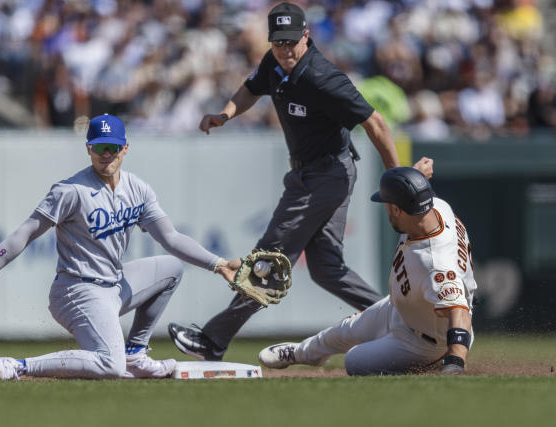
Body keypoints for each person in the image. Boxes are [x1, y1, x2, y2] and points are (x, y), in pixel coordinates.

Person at [168, 2, 433, 361]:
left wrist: (396, 178)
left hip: (325, 174)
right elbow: (250, 89)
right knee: (326, 270)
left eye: (292, 41)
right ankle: (407, 325)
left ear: (306, 36)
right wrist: (225, 114)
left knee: (269, 260)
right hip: (315, 173)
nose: (286, 49)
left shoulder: (322, 77)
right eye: (279, 42)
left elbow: (376, 124)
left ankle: (213, 340)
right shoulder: (274, 64)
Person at [0, 114, 241, 380]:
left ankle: (136, 352)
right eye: (99, 148)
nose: (106, 154)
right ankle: (18, 366)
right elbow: (25, 233)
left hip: (114, 285)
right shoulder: (71, 191)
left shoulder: (138, 189)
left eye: (113, 147)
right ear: (89, 149)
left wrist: (218, 264)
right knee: (109, 363)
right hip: (76, 290)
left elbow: (171, 238)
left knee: (172, 268)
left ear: (125, 148)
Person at [258, 167, 476, 375]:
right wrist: (415, 175)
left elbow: (460, 312)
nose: (386, 208)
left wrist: (455, 358)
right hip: (403, 309)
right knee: (345, 329)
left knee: (354, 361)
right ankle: (302, 353)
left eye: (387, 204)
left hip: (425, 342)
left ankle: (427, 365)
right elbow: (417, 191)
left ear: (398, 209)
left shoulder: (436, 264)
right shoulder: (436, 207)